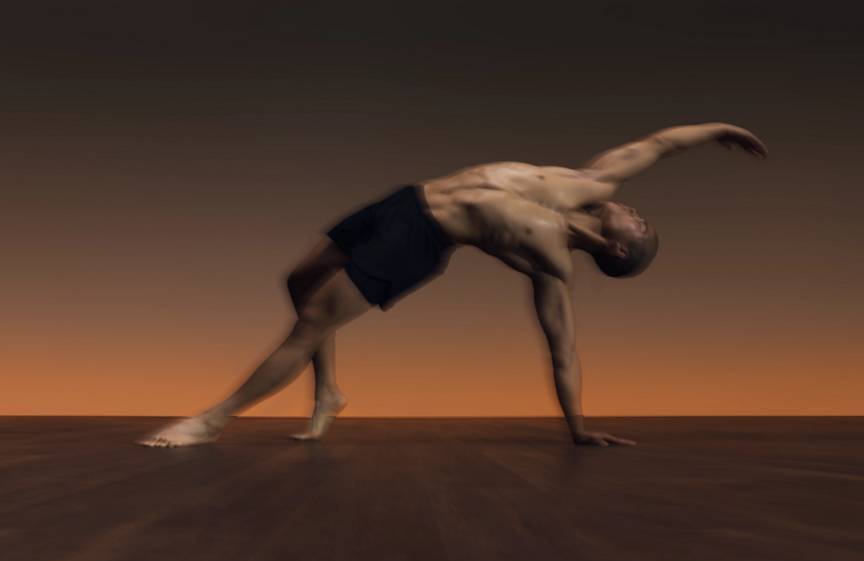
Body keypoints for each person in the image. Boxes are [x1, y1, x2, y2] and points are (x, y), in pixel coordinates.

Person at [137, 122, 767, 448]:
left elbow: (563, 349)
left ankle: (213, 421)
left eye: (641, 224)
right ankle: (329, 393)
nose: (636, 208)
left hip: (419, 241)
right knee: (297, 280)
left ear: (620, 247)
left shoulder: (551, 262)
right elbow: (658, 143)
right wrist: (716, 132)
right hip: (402, 202)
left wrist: (577, 427)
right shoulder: (590, 182)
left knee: (310, 324)